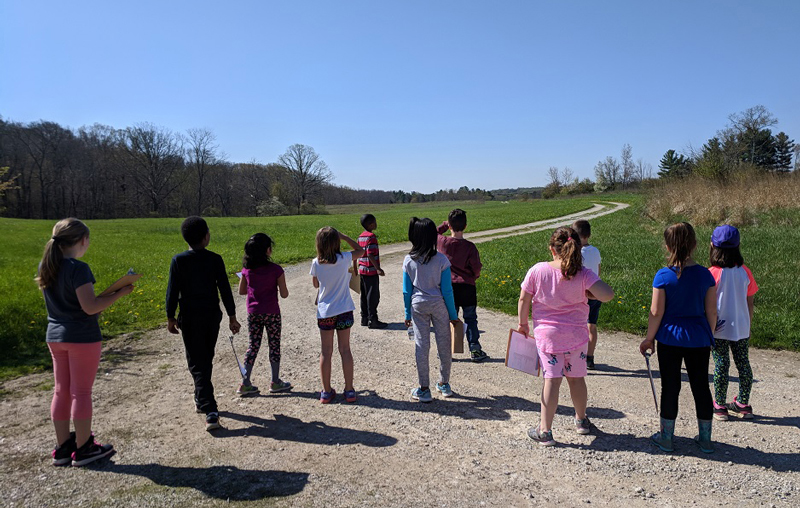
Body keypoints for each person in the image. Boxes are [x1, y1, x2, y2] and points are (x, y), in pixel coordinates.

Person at [37, 218, 133, 466]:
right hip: (81, 337)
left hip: (55, 335)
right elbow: (90, 307)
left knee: (61, 390)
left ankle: (62, 446)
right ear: (82, 241)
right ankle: (83, 447)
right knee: (81, 392)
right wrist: (120, 292)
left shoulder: (47, 266)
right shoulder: (78, 269)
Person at [517, 227, 614, 446]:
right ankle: (581, 421)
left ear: (552, 249)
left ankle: (545, 431)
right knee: (577, 380)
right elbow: (608, 295)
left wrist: (523, 324)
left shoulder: (538, 270)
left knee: (551, 381)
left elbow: (524, 299)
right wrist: (589, 293)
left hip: (548, 339)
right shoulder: (583, 274)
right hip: (577, 339)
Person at [639, 222, 717, 454]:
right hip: (698, 338)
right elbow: (712, 311)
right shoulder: (705, 275)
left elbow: (656, 312)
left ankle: (666, 437)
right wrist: (709, 334)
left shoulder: (663, 276)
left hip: (670, 338)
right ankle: (705, 439)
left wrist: (649, 338)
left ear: (667, 246)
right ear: (694, 245)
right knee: (701, 386)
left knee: (670, 387)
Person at [166, 216, 241, 431]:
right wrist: (232, 316)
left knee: (197, 362)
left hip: (189, 317)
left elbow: (172, 291)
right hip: (211, 316)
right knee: (205, 358)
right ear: (206, 237)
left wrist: (170, 316)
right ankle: (203, 400)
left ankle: (210, 410)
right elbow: (225, 290)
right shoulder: (215, 259)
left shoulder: (178, 260)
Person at [404, 217, 460, 402]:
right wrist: (453, 315)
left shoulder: (408, 260)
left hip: (418, 305)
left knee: (422, 344)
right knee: (444, 343)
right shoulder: (441, 260)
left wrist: (406, 313)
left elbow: (406, 291)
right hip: (438, 305)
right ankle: (444, 384)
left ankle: (424, 388)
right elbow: (447, 290)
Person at [708, 225, 758, 421]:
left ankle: (720, 406)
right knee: (743, 363)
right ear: (738, 246)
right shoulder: (745, 272)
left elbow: (708, 303)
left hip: (718, 326)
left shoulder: (712, 272)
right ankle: (743, 404)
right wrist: (748, 323)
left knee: (721, 363)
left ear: (712, 245)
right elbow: (750, 301)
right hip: (741, 326)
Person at [311, 227, 364, 403]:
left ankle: (326, 391)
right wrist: (345, 236)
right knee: (345, 350)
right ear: (337, 242)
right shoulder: (344, 259)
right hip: (344, 310)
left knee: (326, 352)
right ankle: (349, 390)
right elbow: (360, 250)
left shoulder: (316, 263)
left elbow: (315, 284)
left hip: (325, 312)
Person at [237, 233, 291, 397]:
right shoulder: (276, 270)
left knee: (253, 345)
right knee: (274, 345)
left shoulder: (246, 270)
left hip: (254, 313)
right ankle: (275, 381)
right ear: (268, 251)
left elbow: (241, 291)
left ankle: (245, 382)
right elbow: (284, 294)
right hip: (272, 312)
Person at [437, 208, 488, 362]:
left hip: (448, 287)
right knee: (470, 318)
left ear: (450, 226)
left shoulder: (443, 242)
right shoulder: (470, 247)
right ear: (466, 226)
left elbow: (433, 232)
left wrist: (445, 224)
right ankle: (475, 349)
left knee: (448, 319)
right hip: (467, 286)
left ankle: (446, 351)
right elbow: (476, 267)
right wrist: (474, 276)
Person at [572, 220, 602, 370]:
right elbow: (598, 269)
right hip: (595, 291)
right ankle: (590, 358)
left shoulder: (576, 253)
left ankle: (576, 354)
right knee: (592, 325)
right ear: (589, 234)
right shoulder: (595, 251)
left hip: (581, 293)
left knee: (577, 325)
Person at [357, 213, 387, 329]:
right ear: (371, 224)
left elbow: (357, 252)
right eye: (375, 222)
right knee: (373, 296)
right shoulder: (371, 237)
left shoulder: (360, 237)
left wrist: (356, 267)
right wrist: (378, 269)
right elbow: (370, 254)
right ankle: (373, 319)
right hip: (371, 271)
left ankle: (364, 318)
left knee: (364, 295)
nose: (376, 223)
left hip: (362, 270)